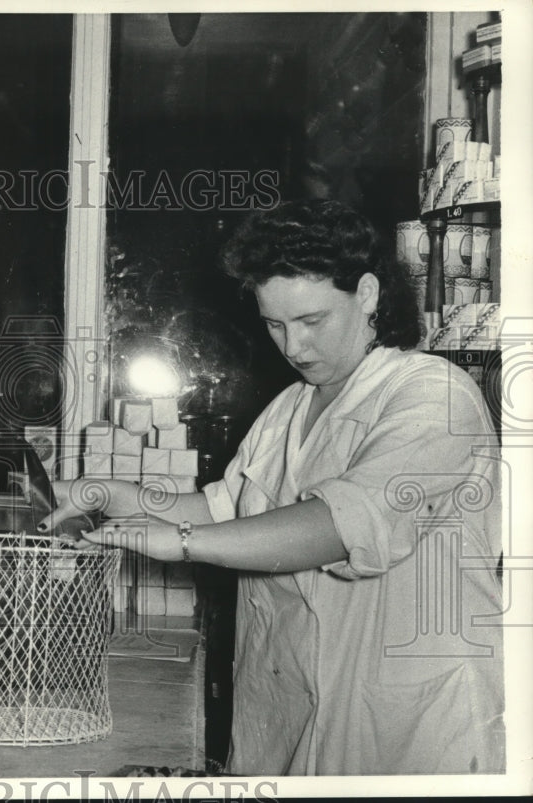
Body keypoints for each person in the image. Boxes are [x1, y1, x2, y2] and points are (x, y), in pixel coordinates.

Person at [41, 200, 505, 775]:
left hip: (408, 726)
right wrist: (107, 494)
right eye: (275, 325)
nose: (294, 347)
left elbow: (339, 526)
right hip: (293, 710)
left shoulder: (434, 396)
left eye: (312, 321)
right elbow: (226, 508)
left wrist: (181, 541)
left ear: (367, 294)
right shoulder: (291, 406)